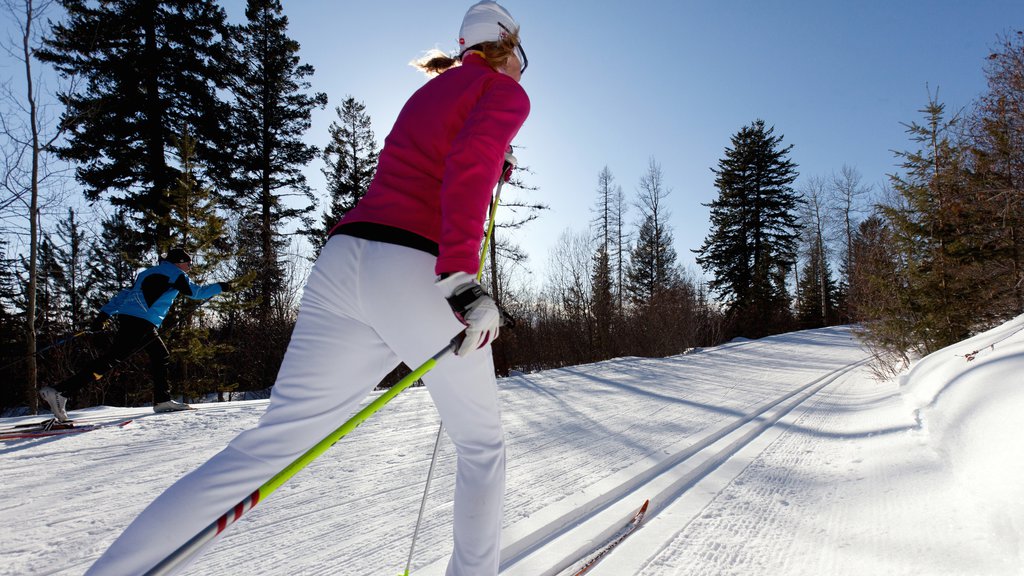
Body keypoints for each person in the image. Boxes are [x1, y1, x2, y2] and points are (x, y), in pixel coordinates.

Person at [85, 2, 530, 575]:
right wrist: (462, 276)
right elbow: (469, 159)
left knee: (269, 448)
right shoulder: (506, 91)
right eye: (522, 58)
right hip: (417, 266)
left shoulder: (433, 91)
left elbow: (439, 160)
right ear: (508, 48)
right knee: (481, 446)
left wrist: (494, 166)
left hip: (345, 261)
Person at [39, 247, 232, 421]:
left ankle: (162, 400)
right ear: (179, 262)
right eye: (189, 263)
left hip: (131, 319)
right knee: (113, 359)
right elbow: (196, 292)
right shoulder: (175, 273)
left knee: (159, 355)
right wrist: (220, 287)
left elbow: (126, 294)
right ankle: (60, 391)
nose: (190, 267)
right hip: (142, 322)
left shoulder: (146, 273)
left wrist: (104, 315)